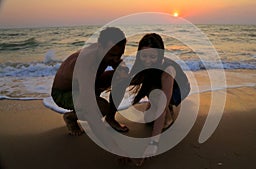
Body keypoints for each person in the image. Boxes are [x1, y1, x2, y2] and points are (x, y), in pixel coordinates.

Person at [51, 27, 129, 136]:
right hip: (63, 93)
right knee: (102, 107)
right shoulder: (85, 60)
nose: (115, 59)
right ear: (100, 46)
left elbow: (120, 64)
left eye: (119, 54)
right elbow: (87, 99)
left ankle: (110, 119)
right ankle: (71, 117)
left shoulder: (105, 52)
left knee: (121, 77)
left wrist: (123, 69)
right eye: (112, 55)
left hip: (87, 83)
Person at [129, 33, 190, 164]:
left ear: (160, 54)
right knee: (148, 118)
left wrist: (153, 143)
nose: (147, 60)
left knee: (158, 99)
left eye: (152, 56)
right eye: (144, 56)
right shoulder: (143, 65)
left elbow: (160, 107)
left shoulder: (167, 70)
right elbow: (131, 81)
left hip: (180, 89)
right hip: (160, 88)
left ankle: (168, 118)